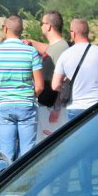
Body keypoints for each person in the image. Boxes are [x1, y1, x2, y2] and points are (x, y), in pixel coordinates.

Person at [0, 15, 44, 160]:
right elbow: (39, 85)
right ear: (21, 31)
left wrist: (2, 96)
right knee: (28, 150)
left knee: (6, 151)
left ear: (5, 29)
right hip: (26, 104)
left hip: (4, 104)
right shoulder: (31, 52)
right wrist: (28, 96)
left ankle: (6, 179)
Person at [51, 18, 98, 121]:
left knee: (79, 136)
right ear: (87, 33)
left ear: (73, 33)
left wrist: (68, 89)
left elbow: (55, 85)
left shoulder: (65, 55)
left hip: (75, 106)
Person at [35, 10, 69, 140]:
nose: (41, 26)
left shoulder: (61, 48)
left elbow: (65, 80)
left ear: (48, 26)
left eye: (41, 23)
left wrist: (56, 108)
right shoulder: (54, 47)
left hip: (52, 110)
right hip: (45, 106)